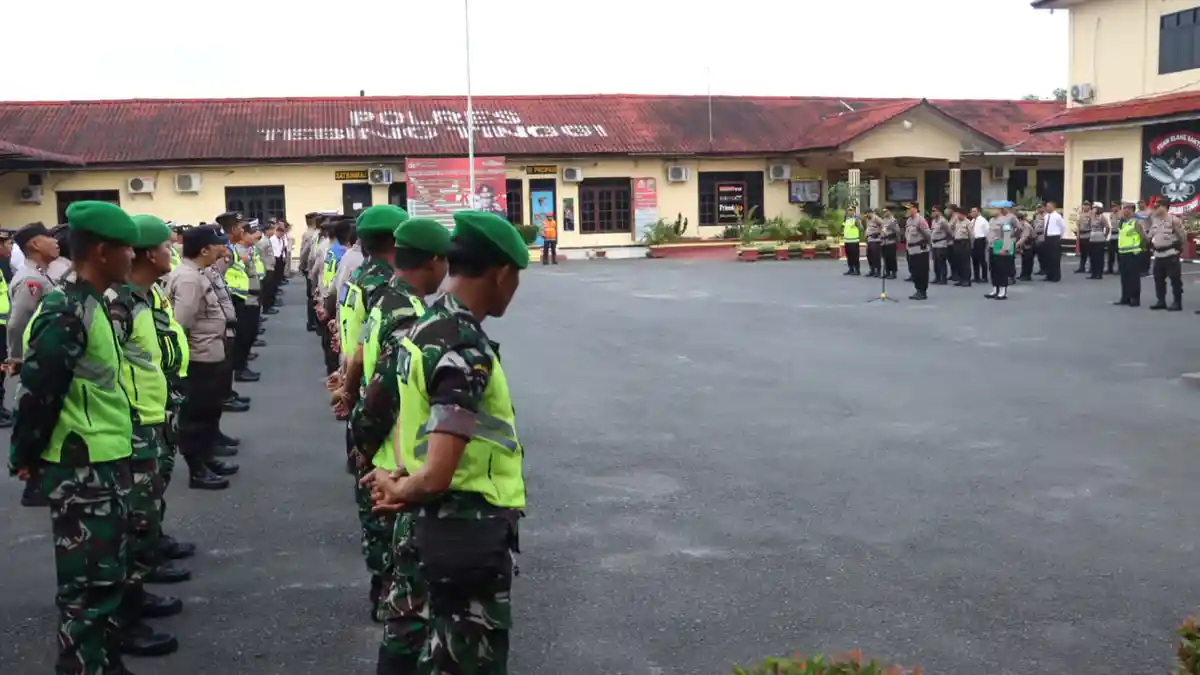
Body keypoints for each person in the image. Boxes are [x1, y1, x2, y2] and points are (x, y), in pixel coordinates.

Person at [371, 210, 527, 675]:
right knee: (465, 660)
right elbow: (439, 472)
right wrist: (405, 488)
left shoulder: (426, 325)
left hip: (426, 524)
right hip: (465, 528)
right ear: (501, 274)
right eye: (516, 277)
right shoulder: (463, 347)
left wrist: (402, 480)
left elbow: (408, 419)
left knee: (406, 642)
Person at [7, 201, 141, 675]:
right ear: (104, 252)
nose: (135, 255)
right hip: (81, 469)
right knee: (87, 589)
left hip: (105, 462)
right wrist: (24, 456)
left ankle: (104, 661)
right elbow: (38, 393)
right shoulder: (65, 310)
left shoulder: (91, 302)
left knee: (107, 581)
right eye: (128, 248)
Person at [348, 218, 449, 659]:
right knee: (405, 595)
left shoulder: (386, 300)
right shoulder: (407, 312)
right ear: (433, 260)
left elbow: (359, 360)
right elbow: (382, 395)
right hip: (392, 457)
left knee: (395, 578)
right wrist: (368, 453)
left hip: (384, 451)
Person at [106, 214, 186, 658]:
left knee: (145, 513)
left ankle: (138, 593)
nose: (171, 252)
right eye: (164, 247)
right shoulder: (117, 304)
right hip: (131, 426)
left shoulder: (145, 296)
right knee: (130, 524)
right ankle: (125, 621)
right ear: (146, 254)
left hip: (153, 416)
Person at [330, 205, 407, 617]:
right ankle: (390, 592)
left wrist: (345, 382)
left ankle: (383, 586)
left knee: (371, 497)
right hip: (379, 406)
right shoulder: (388, 289)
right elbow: (379, 359)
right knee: (384, 499)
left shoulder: (358, 275)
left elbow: (356, 342)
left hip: (361, 394)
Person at [165, 225, 239, 489]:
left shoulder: (196, 273)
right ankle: (197, 469)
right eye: (216, 245)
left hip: (210, 355)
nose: (222, 248)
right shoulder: (188, 278)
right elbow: (181, 323)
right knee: (196, 417)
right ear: (204, 250)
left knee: (209, 412)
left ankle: (207, 459)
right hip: (199, 359)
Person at [8, 223, 61, 504]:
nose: (55, 242)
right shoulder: (31, 280)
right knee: (36, 421)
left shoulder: (41, 276)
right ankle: (34, 487)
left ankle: (40, 481)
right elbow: (17, 324)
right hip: (36, 362)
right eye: (48, 238)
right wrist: (16, 357)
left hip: (43, 360)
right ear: (33, 245)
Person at [1148, 201, 1187, 311]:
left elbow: (1182, 236)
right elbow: (1150, 236)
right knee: (1158, 280)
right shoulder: (1155, 221)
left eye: (1157, 206)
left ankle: (1177, 302)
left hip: (1171, 254)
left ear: (1165, 207)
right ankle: (1161, 301)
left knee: (1175, 280)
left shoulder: (1173, 220)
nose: (1154, 208)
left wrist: (1180, 249)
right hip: (1158, 255)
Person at [1113, 201, 1146, 307]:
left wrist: (1141, 249)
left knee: (1133, 277)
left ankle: (1135, 299)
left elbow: (1143, 237)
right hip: (1123, 252)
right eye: (1124, 208)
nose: (1125, 210)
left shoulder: (1137, 222)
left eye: (1127, 209)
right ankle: (1125, 297)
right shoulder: (1123, 222)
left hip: (1133, 253)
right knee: (1124, 277)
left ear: (1132, 210)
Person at [986, 202, 1019, 300]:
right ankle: (994, 289)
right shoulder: (991, 220)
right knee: (993, 269)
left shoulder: (1005, 221)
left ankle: (1002, 291)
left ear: (999, 210)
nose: (990, 211)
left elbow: (1007, 235)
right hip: (992, 246)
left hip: (1000, 246)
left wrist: (1006, 248)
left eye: (993, 209)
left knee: (1002, 269)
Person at [903, 204, 931, 300]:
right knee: (914, 271)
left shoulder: (921, 220)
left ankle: (922, 292)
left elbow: (928, 235)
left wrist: (925, 243)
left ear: (915, 209)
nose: (907, 211)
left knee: (921, 272)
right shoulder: (909, 221)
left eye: (909, 209)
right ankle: (918, 290)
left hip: (920, 250)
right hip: (911, 250)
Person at [299, 213, 321, 331]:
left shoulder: (309, 234)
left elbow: (303, 252)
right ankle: (313, 322)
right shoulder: (312, 234)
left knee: (312, 295)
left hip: (311, 268)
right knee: (313, 295)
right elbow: (306, 252)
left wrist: (302, 265)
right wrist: (302, 265)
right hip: (312, 268)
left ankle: (312, 322)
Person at [1041, 201, 1065, 282]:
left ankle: (1056, 276)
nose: (1047, 208)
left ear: (1053, 207)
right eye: (1046, 206)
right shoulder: (1046, 216)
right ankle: (1049, 275)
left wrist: (1060, 236)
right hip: (1047, 237)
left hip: (1055, 237)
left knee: (1055, 258)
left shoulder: (1058, 216)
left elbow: (1062, 227)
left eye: (1048, 206)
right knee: (1047, 257)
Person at [950, 206, 973, 287]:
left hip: (965, 243)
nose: (958, 216)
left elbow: (971, 235)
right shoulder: (956, 222)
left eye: (959, 214)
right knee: (958, 261)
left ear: (964, 214)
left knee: (965, 262)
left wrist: (971, 245)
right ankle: (960, 279)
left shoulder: (968, 222)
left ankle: (966, 279)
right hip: (957, 242)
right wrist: (954, 221)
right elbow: (950, 228)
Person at [1088, 202, 1110, 279]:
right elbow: (1089, 225)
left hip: (1100, 239)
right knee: (1092, 257)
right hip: (1092, 238)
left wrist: (1105, 236)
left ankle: (1099, 274)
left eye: (1095, 208)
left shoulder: (1102, 217)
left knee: (1099, 257)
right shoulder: (1092, 217)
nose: (1093, 209)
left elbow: (1107, 227)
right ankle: (1093, 273)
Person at [1075, 201, 1095, 274]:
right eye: (1084, 205)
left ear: (1089, 206)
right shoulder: (1080, 214)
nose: (1085, 207)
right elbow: (1078, 225)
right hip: (1082, 235)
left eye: (1087, 205)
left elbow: (1092, 224)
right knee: (1083, 253)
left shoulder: (1091, 214)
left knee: (1090, 252)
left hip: (1088, 234)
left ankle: (1091, 268)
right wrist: (1078, 234)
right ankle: (1081, 267)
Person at [970, 206, 990, 283]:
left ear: (978, 211)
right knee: (974, 259)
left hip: (980, 240)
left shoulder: (983, 220)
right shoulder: (972, 221)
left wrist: (986, 240)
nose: (973, 213)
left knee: (981, 259)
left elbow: (987, 230)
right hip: (973, 240)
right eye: (972, 211)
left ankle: (984, 277)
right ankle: (976, 276)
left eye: (974, 211)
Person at [862, 209, 883, 277]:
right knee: (869, 255)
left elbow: (884, 226)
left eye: (867, 214)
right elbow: (868, 228)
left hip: (876, 240)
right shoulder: (867, 219)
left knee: (876, 256)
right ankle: (872, 270)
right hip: (869, 239)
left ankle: (878, 271)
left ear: (870, 213)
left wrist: (879, 233)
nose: (866, 216)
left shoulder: (876, 218)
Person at [880, 208, 900, 280]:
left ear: (889, 212)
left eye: (886, 211)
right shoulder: (884, 220)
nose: (885, 213)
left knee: (891, 257)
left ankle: (893, 273)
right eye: (884, 212)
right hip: (884, 241)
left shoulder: (893, 220)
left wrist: (892, 229)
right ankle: (887, 272)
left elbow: (897, 230)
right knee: (885, 258)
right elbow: (882, 229)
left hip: (890, 241)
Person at [841, 207, 861, 276]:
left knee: (855, 256)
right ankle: (851, 269)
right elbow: (843, 227)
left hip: (854, 241)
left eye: (851, 210)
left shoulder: (856, 219)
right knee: (849, 256)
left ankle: (857, 270)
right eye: (848, 210)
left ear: (854, 211)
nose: (849, 212)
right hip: (847, 241)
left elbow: (861, 228)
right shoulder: (846, 219)